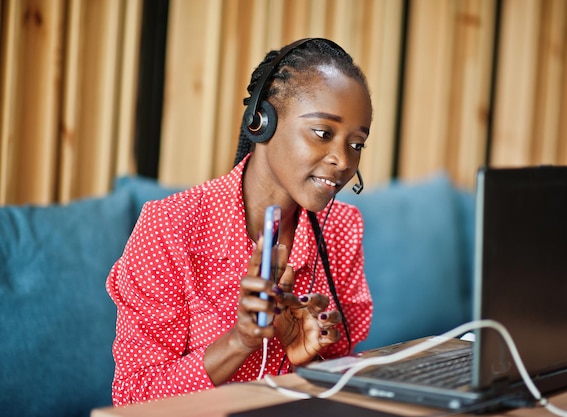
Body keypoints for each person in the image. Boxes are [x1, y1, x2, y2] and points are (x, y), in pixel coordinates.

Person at [106, 38, 374, 406]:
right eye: (323, 133)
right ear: (262, 122)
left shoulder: (341, 226)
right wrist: (239, 342)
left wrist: (311, 351)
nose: (343, 160)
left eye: (356, 144)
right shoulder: (169, 227)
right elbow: (133, 399)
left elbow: (343, 365)